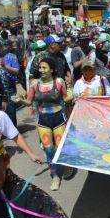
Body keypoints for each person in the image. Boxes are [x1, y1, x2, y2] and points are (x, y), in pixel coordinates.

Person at [14, 58, 73, 191]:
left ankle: (67, 165)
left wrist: (75, 95)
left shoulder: (59, 82)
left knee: (59, 146)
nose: (41, 70)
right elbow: (29, 102)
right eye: (40, 68)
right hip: (43, 121)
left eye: (44, 68)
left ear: (51, 70)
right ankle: (55, 176)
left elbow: (65, 98)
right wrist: (20, 101)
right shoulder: (34, 84)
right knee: (48, 149)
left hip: (59, 119)